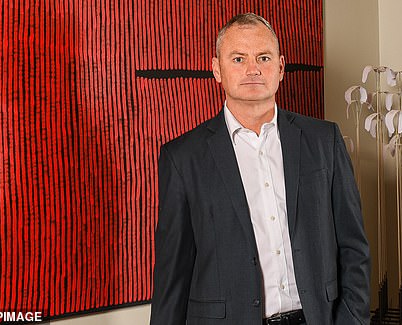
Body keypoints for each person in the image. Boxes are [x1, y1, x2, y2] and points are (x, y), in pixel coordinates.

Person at [150, 13, 370, 325]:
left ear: (280, 68)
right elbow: (173, 275)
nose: (253, 69)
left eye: (263, 57)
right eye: (238, 59)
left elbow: (354, 247)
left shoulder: (324, 141)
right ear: (217, 69)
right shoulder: (184, 157)